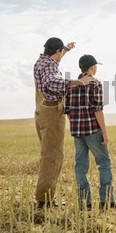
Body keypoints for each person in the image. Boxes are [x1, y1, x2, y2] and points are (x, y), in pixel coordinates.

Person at [33, 37, 94, 208]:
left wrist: (65, 49)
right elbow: (51, 80)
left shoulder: (41, 62)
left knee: (48, 153)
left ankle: (45, 197)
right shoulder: (50, 66)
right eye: (61, 52)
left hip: (41, 111)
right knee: (52, 156)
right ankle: (44, 200)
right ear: (56, 51)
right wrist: (77, 82)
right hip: (52, 112)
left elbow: (52, 63)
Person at [65, 54, 116, 211]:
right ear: (92, 67)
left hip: (77, 133)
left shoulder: (70, 85)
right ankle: (107, 201)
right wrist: (105, 133)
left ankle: (85, 203)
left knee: (80, 166)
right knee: (104, 164)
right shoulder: (95, 84)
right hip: (93, 131)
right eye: (95, 66)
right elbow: (98, 110)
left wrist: (76, 124)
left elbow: (67, 111)